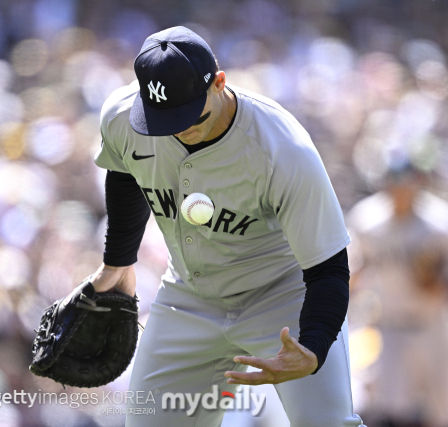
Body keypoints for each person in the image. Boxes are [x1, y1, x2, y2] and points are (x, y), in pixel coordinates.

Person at [90, 26, 364, 426]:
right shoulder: (121, 118)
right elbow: (125, 169)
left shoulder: (282, 148)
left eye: (188, 114)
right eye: (162, 118)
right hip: (188, 296)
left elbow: (330, 267)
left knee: (328, 423)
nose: (179, 128)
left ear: (219, 83)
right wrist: (117, 262)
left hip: (281, 299)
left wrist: (315, 345)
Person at [347, 161, 448, 427]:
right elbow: (352, 272)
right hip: (390, 326)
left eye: (407, 184)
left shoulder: (438, 223)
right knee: (392, 409)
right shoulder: (368, 220)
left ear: (418, 184)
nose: (401, 190)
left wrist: (433, 281)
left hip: (432, 326)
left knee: (442, 406)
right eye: (395, 184)